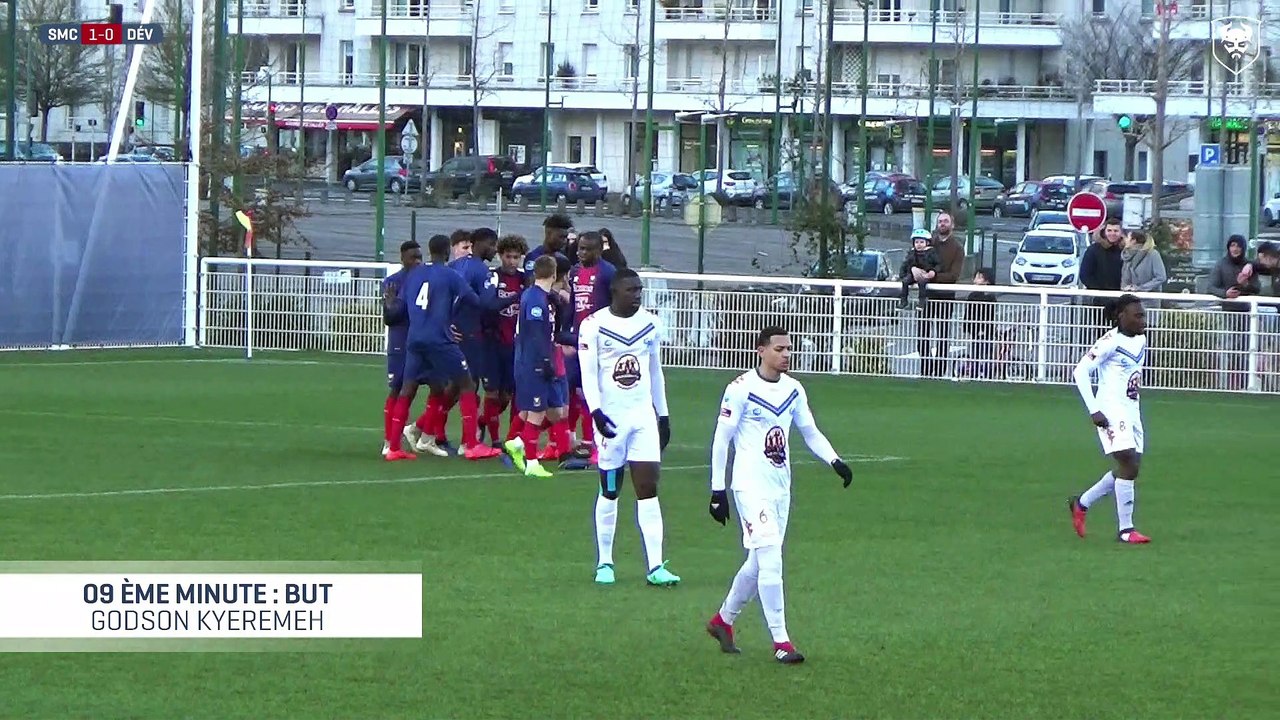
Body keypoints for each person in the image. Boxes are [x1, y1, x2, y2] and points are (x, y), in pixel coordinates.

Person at [704, 326, 853, 664]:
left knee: (758, 562)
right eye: (779, 349)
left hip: (780, 487)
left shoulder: (794, 390)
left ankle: (723, 621)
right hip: (749, 486)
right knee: (771, 558)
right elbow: (721, 439)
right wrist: (717, 490)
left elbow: (810, 432)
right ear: (760, 350)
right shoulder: (740, 389)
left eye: (789, 349)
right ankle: (782, 642)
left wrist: (835, 460)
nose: (786, 354)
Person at [578, 267, 679, 587]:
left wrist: (662, 416)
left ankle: (655, 566)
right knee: (610, 489)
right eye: (630, 291)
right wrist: (595, 412)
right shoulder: (593, 326)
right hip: (611, 418)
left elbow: (655, 372)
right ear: (614, 292)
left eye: (639, 290)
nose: (636, 295)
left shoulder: (650, 324)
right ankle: (604, 562)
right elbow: (588, 373)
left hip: (642, 418)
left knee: (648, 489)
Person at [413, 226, 511, 459]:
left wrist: (446, 323)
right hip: (468, 336)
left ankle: (423, 430)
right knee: (467, 385)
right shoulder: (481, 271)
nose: (494, 249)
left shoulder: (454, 267)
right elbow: (485, 305)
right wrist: (520, 295)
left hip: (451, 334)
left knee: (454, 388)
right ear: (478, 244)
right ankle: (467, 443)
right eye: (491, 244)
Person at [385, 234, 482, 461]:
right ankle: (471, 445)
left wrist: (390, 304)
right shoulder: (450, 275)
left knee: (408, 389)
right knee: (466, 383)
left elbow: (400, 307)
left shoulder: (414, 275)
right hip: (440, 339)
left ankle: (394, 448)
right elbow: (474, 300)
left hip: (415, 339)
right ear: (447, 251)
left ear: (429, 252)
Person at [1067, 294, 1151, 544]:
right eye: (1137, 315)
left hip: (1132, 409)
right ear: (1120, 316)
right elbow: (1080, 372)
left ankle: (1082, 503)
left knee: (1130, 467)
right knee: (1128, 463)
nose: (1142, 320)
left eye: (1143, 315)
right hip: (1110, 409)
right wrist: (1094, 409)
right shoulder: (1109, 342)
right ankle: (1126, 530)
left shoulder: (1141, 339)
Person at [504, 255, 569, 479]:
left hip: (542, 361)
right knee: (536, 413)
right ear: (553, 274)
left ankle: (518, 443)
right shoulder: (534, 299)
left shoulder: (543, 297)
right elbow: (534, 335)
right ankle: (531, 463)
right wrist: (544, 361)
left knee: (556, 411)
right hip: (533, 364)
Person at [563, 231, 617, 465]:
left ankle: (597, 443)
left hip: (600, 342)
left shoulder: (608, 273)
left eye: (586, 249)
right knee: (568, 389)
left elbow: (616, 306)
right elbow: (573, 305)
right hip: (577, 338)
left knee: (593, 393)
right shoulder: (574, 272)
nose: (581, 252)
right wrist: (564, 332)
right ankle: (567, 441)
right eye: (579, 248)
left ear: (598, 250)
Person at [479, 234, 528, 448]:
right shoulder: (493, 277)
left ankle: (486, 422)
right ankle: (497, 440)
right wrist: (515, 297)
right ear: (500, 256)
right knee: (492, 391)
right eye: (508, 256)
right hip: (493, 342)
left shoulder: (525, 279)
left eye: (516, 257)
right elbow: (489, 305)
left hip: (515, 344)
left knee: (508, 395)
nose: (512, 262)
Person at [380, 240, 422, 457]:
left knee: (442, 386)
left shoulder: (425, 279)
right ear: (402, 258)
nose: (416, 261)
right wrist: (390, 305)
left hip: (423, 343)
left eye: (419, 257)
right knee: (398, 389)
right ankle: (389, 441)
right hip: (400, 343)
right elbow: (390, 318)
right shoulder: (392, 282)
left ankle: (426, 435)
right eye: (412, 257)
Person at [916, 213, 963, 377]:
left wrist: (933, 276)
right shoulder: (930, 243)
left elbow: (954, 275)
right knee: (922, 334)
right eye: (940, 221)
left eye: (945, 221)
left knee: (943, 335)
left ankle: (939, 372)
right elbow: (915, 261)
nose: (942, 224)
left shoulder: (957, 248)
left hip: (945, 296)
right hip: (926, 295)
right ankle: (926, 370)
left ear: (952, 225)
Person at [1210, 236, 1259, 389]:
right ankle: (1226, 386)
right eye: (1232, 245)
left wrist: (1245, 284)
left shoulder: (1249, 265)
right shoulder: (1221, 264)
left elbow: (1257, 288)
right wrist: (1226, 294)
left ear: (1243, 248)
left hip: (1247, 314)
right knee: (1228, 350)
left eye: (1238, 246)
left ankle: (1244, 386)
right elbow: (1211, 287)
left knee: (1246, 351)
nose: (1235, 249)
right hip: (1228, 314)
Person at [962, 267, 998, 380]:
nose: (976, 279)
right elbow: (968, 313)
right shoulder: (972, 295)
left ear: (987, 281)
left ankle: (987, 374)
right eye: (976, 277)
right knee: (976, 352)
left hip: (985, 330)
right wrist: (967, 326)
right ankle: (975, 372)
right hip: (975, 329)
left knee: (986, 352)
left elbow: (989, 315)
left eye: (980, 277)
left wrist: (984, 328)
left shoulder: (989, 297)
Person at [524, 213, 573, 283]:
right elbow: (531, 283)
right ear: (548, 233)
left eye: (566, 237)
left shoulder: (564, 258)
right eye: (561, 237)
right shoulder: (534, 257)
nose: (565, 241)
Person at [899, 228, 939, 309]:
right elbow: (906, 265)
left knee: (922, 283)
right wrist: (904, 274)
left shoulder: (931, 253)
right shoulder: (911, 253)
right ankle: (904, 301)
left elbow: (938, 264)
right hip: (912, 275)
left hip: (925, 274)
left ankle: (921, 302)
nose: (919, 244)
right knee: (905, 282)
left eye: (921, 242)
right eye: (916, 242)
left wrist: (933, 271)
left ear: (927, 243)